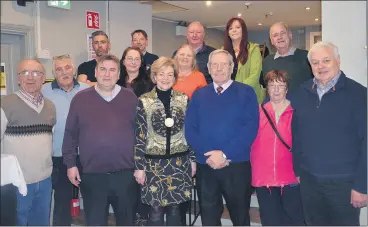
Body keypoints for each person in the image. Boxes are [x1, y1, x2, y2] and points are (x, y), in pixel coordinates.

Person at [291, 41, 367, 225]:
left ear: (338, 61)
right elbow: (297, 134)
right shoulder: (302, 92)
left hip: (343, 184)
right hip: (309, 181)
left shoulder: (359, 94)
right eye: (315, 62)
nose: (320, 66)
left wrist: (362, 185)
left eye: (326, 60)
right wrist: (298, 169)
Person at [185, 49, 259, 226]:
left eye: (223, 64)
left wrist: (224, 154)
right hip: (207, 164)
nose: (219, 68)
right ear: (208, 68)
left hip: (236, 165)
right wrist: (209, 154)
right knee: (209, 217)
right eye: (214, 65)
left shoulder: (246, 92)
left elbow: (250, 129)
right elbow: (190, 129)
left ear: (232, 67)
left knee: (240, 216)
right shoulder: (199, 94)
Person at [62, 54, 138, 226]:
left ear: (119, 75)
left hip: (125, 175)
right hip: (92, 176)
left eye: (112, 70)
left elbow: (141, 134)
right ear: (95, 73)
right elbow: (70, 134)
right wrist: (71, 164)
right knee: (95, 222)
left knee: (127, 221)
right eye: (103, 69)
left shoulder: (130, 98)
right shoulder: (80, 99)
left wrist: (140, 166)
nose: (107, 74)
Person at [134, 57, 196, 226]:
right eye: (161, 74)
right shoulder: (144, 100)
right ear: (154, 76)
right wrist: (139, 167)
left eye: (170, 74)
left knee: (176, 209)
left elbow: (189, 131)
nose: (166, 78)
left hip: (179, 163)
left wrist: (193, 160)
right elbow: (140, 135)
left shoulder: (183, 99)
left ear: (175, 77)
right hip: (153, 165)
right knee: (155, 210)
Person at [1, 58, 56, 225]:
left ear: (43, 78)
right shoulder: (5, 104)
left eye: (36, 73)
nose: (30, 77)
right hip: (17, 183)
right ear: (18, 78)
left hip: (45, 181)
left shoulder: (50, 106)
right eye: (24, 73)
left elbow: (48, 140)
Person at [250, 70, 305, 226]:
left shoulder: (297, 112)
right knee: (270, 221)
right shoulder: (257, 112)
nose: (276, 89)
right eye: (272, 85)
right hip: (264, 177)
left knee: (293, 220)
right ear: (266, 88)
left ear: (287, 88)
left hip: (291, 176)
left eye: (280, 85)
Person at [41, 54, 89, 226]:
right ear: (53, 72)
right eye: (59, 69)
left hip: (86, 155)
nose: (64, 72)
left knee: (92, 202)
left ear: (74, 69)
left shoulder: (87, 89)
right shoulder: (43, 91)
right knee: (62, 202)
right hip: (58, 156)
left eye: (67, 67)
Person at [118, 47, 153, 226]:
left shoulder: (148, 84)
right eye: (129, 58)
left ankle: (141, 216)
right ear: (123, 61)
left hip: (140, 136)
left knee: (140, 178)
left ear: (142, 63)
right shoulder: (114, 81)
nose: (132, 62)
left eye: (136, 59)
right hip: (118, 137)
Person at [262, 22, 313, 96]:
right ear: (272, 41)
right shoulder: (267, 62)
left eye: (282, 33)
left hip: (302, 106)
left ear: (290, 35)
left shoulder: (307, 56)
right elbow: (268, 90)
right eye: (275, 35)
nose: (280, 37)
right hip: (277, 107)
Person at [223, 17, 264, 103]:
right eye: (231, 28)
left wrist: (236, 89)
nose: (234, 30)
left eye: (237, 27)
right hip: (227, 96)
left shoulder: (253, 49)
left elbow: (255, 75)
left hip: (248, 96)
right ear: (228, 33)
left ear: (243, 30)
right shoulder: (222, 51)